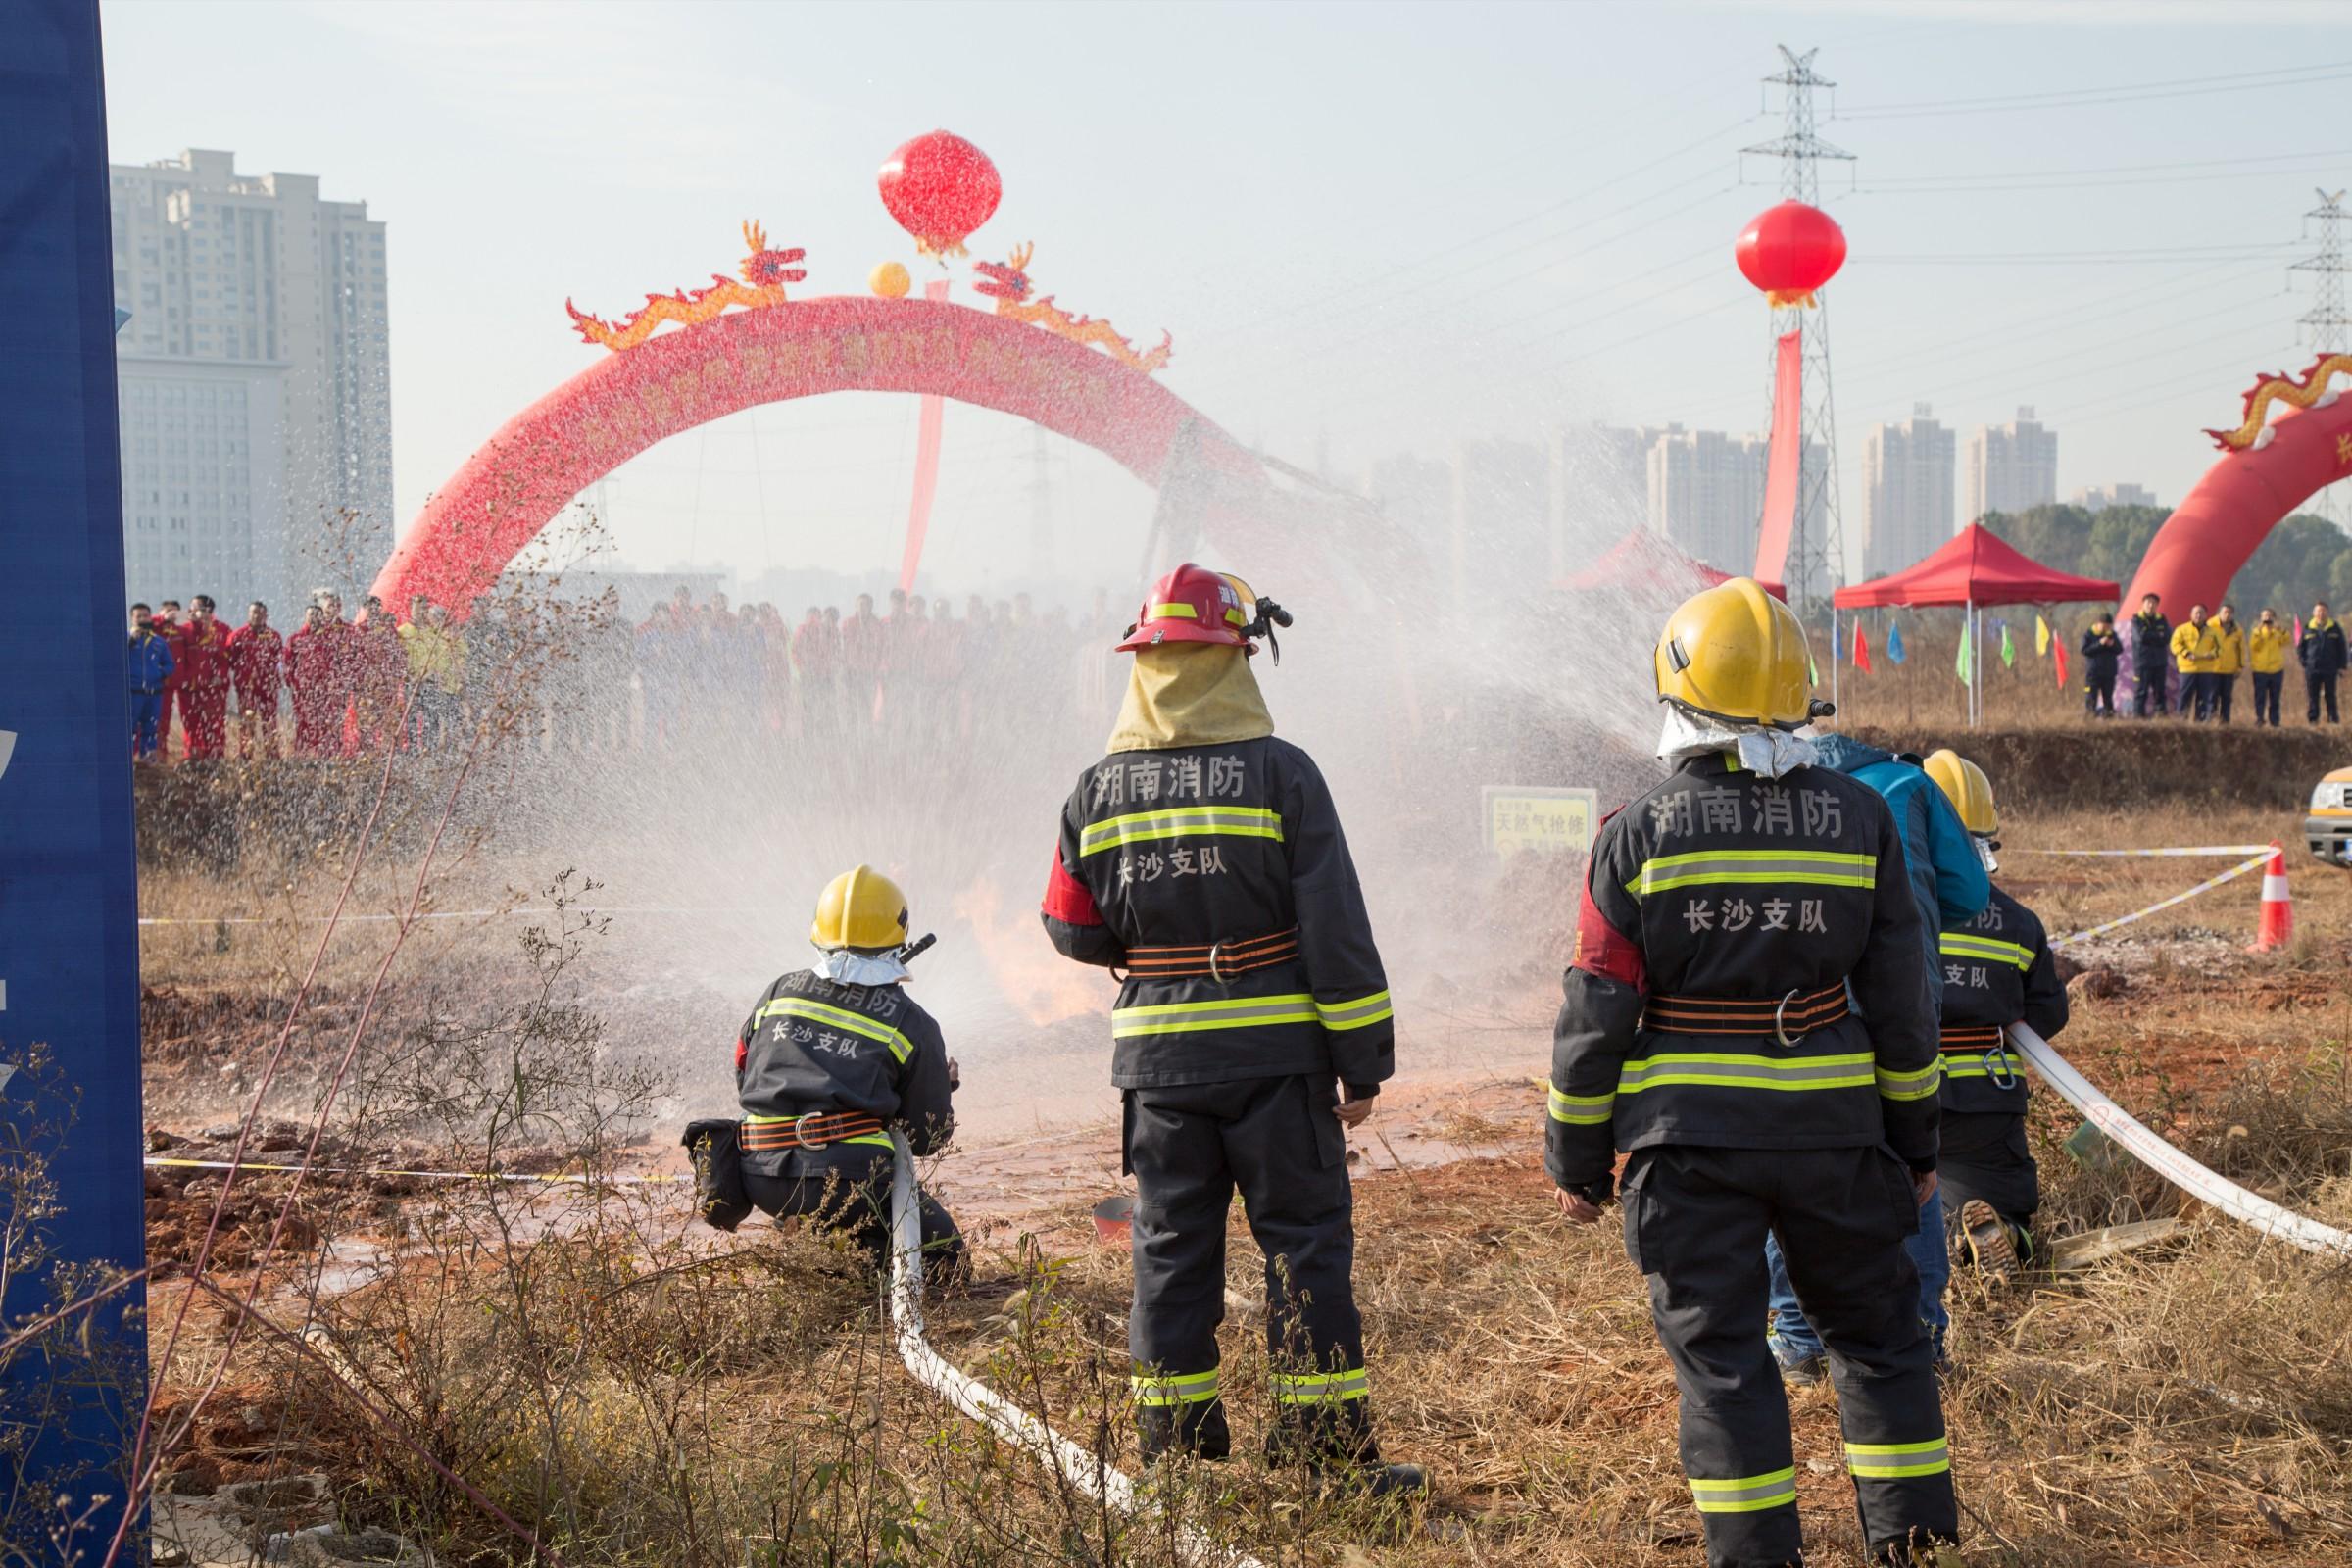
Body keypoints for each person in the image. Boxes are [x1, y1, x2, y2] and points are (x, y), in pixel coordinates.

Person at [1547, 577, 1955, 1568]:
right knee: (1882, 1342)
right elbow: (1902, 1001)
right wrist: (1916, 1145)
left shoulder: (1633, 833)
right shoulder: (1861, 819)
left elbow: (1598, 1006)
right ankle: (1916, 1550)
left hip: (1688, 1149)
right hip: (1836, 1135)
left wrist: (1576, 1156)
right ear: (1797, 694)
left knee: (1726, 1365)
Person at [1040, 564, 1423, 1495]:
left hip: (1161, 1070)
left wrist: (1156, 940)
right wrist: (1362, 1061)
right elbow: (1336, 926)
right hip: (1277, 1063)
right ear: (1236, 661)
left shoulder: (1097, 790)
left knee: (1170, 1252)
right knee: (1303, 1248)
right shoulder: (1284, 774)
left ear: (1146, 667)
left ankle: (1178, 1465)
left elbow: (1070, 926)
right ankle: (1325, 1460)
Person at [1760, 717, 1988, 1382]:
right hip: (1899, 1017)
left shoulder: (1776, 791)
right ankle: (1919, 1339)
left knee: (1796, 1179)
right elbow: (1970, 894)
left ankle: (1799, 1342)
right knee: (1910, 1175)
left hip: (1801, 1021)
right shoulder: (1909, 786)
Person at [728, 866, 961, 1281]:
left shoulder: (779, 990)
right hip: (848, 1182)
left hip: (759, 1173)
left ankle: (810, 1247)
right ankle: (846, 1271)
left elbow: (746, 1074)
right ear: (898, 936)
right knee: (947, 1260)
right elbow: (928, 1137)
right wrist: (939, 1086)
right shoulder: (911, 1022)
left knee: (826, 1215)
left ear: (819, 932)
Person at [1919, 752, 2067, 1286]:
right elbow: (2048, 1014)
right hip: (1988, 1092)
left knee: (1896, 1194)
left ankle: (1941, 1249)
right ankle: (1998, 1233)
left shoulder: (1887, 908)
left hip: (1900, 1086)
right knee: (2003, 1198)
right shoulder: (2019, 924)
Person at [401, 601, 466, 751]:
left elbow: (444, 655)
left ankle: (431, 751)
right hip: (412, 682)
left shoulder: (432, 633)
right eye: (418, 608)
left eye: (424, 609)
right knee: (411, 719)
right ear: (411, 608)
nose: (421, 612)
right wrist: (408, 675)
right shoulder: (402, 631)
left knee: (432, 719)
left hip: (432, 683)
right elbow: (399, 656)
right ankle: (412, 752)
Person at [175, 595, 233, 760]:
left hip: (213, 688)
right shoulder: (184, 629)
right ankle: (192, 757)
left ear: (207, 611)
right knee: (190, 725)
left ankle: (215, 758)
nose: (190, 610)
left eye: (195, 608)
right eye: (191, 607)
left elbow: (225, 659)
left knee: (214, 725)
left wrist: (219, 675)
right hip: (189, 687)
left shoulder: (222, 630)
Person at [225, 601, 284, 759]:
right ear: (248, 614)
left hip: (268, 687)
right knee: (247, 721)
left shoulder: (274, 636)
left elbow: (280, 660)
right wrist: (242, 674)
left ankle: (272, 754)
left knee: (270, 721)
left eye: (260, 613)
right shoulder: (238, 635)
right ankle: (245, 754)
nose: (257, 616)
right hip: (247, 687)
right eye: (253, 612)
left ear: (266, 615)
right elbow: (230, 658)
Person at [283, 602, 342, 757]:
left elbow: (335, 662)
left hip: (324, 690)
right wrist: (294, 684)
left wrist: (332, 683)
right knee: (303, 722)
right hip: (302, 691)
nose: (314, 619)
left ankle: (325, 755)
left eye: (317, 616)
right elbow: (288, 663)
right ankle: (302, 755)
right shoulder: (295, 639)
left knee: (324, 722)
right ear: (305, 617)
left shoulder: (329, 639)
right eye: (310, 615)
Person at [127, 604, 175, 760]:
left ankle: (148, 760)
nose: (142, 619)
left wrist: (159, 673)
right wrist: (130, 643)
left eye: (145, 616)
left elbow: (170, 664)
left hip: (154, 692)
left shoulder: (158, 642)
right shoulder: (125, 639)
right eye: (138, 616)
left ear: (150, 617)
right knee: (130, 727)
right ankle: (129, 761)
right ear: (132, 619)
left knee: (151, 727)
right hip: (133, 692)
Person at [2170, 604, 2219, 722]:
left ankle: (2200, 723)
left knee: (2203, 699)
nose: (2198, 615)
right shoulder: (2181, 629)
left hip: (2205, 669)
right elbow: (2174, 645)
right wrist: (2186, 653)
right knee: (2185, 697)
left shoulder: (2212, 632)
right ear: (2191, 615)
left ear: (2206, 615)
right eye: (2196, 613)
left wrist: (2212, 654)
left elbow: (2219, 648)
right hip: (2188, 669)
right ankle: (2181, 721)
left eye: (2201, 613)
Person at [2304, 601, 2346, 724]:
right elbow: (2301, 648)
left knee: (2331, 695)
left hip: (2330, 668)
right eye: (2318, 611)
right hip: (2312, 668)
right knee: (2312, 696)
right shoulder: (2308, 628)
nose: (2321, 613)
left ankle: (2333, 719)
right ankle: (2313, 719)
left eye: (2323, 611)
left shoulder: (2335, 628)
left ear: (2327, 612)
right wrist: (2306, 662)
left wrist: (2342, 666)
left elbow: (2342, 648)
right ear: (2313, 613)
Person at [2130, 593, 2172, 717]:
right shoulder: (2136, 619)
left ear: (2157, 605)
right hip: (2143, 663)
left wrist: (2151, 635)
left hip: (2159, 662)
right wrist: (2157, 635)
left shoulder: (2162, 619)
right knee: (2141, 692)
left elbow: (2166, 638)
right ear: (2143, 604)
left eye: (2154, 603)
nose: (2151, 605)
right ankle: (2138, 719)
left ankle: (2161, 718)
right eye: (2148, 602)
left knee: (2160, 692)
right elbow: (2141, 637)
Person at [2250, 608, 2291, 728]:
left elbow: (2287, 641)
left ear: (2274, 618)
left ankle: (2275, 721)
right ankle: (2259, 719)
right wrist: (2261, 632)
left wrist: (2280, 629)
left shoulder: (2278, 632)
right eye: (2265, 616)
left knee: (2275, 697)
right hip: (2260, 669)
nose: (2267, 618)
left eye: (2270, 616)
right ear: (2261, 618)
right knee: (2260, 696)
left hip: (2276, 669)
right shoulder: (2256, 632)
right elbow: (2253, 646)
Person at [2080, 613, 2122, 718]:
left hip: (2109, 672)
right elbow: (2085, 650)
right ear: (2098, 624)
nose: (2106, 628)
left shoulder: (2112, 635)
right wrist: (2100, 643)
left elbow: (2120, 649)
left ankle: (2109, 717)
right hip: (2094, 673)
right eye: (2104, 626)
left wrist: (2112, 644)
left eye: (2108, 626)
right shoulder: (2089, 634)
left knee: (2108, 697)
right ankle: (2090, 718)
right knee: (2091, 697)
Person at [2209, 604, 2245, 724]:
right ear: (2219, 612)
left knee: (2226, 698)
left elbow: (2241, 649)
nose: (2227, 615)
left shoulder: (2237, 630)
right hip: (2212, 669)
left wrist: (2240, 667)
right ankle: (2210, 720)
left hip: (2229, 669)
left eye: (2229, 612)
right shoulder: (2210, 626)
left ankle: (2225, 722)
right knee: (2211, 697)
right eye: (2224, 612)